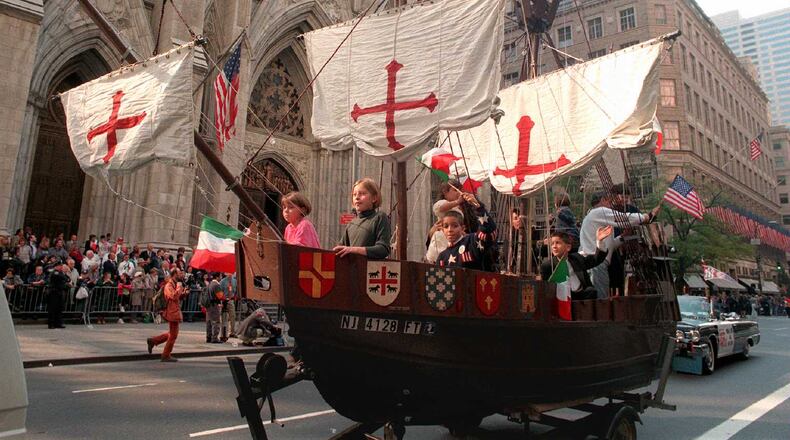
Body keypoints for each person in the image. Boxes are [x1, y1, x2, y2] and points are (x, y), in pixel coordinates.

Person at [579, 191, 658, 298]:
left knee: (601, 298)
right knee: (601, 300)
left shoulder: (592, 216)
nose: (611, 206)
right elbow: (623, 218)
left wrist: (622, 237)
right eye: (609, 202)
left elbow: (609, 245)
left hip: (595, 264)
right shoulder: (598, 212)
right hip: (596, 265)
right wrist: (646, 217)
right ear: (602, 200)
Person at [539, 227, 613, 301]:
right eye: (552, 244)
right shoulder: (547, 266)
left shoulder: (576, 258)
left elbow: (596, 259)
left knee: (591, 291)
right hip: (563, 299)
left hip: (582, 295)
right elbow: (546, 289)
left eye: (558, 243)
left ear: (568, 247)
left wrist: (600, 241)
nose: (554, 246)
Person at [333, 178, 391, 259]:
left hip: (370, 269)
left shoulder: (379, 217)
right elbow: (342, 249)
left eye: (362, 193)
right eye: (354, 194)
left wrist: (354, 250)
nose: (357, 197)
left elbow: (383, 249)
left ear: (374, 198)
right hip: (352, 270)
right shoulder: (351, 224)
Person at [147, 268, 188, 362]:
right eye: (179, 273)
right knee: (173, 335)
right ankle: (165, 355)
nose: (181, 275)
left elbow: (177, 297)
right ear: (174, 274)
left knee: (172, 334)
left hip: (174, 311)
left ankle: (153, 341)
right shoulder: (169, 285)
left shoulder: (173, 284)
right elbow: (173, 296)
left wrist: (184, 294)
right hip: (171, 312)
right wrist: (179, 287)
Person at [47, 263, 70, 329]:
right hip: (53, 292)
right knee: (52, 308)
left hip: (59, 292)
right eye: (60, 266)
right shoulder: (55, 272)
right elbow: (64, 278)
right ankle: (51, 324)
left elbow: (67, 279)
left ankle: (58, 323)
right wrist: (66, 279)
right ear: (56, 266)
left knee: (59, 308)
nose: (61, 267)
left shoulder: (60, 273)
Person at [201, 275, 223, 343]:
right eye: (220, 276)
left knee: (209, 322)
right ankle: (215, 338)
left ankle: (209, 337)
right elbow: (220, 296)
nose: (221, 277)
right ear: (217, 277)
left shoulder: (210, 284)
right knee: (216, 321)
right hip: (214, 305)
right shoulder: (216, 285)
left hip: (208, 305)